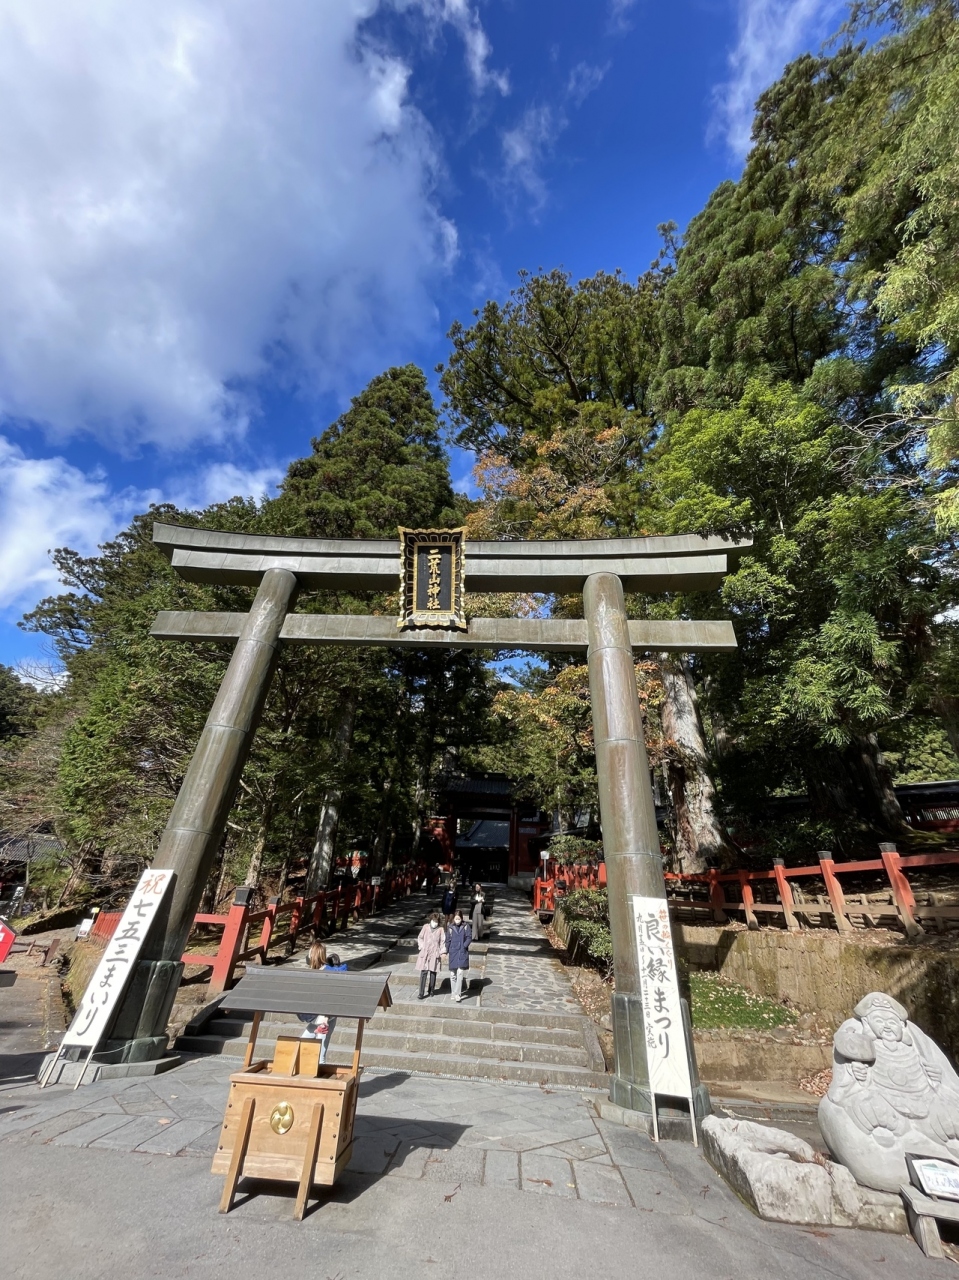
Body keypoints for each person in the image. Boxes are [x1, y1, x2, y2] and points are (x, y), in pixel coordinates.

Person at [298, 940, 348, 1063]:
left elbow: (331, 996)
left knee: (320, 1053)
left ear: (313, 956)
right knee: (304, 1041)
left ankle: (320, 1072)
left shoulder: (326, 973)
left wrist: (325, 1018)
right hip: (320, 1017)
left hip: (325, 1017)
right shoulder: (318, 971)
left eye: (310, 953)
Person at [416, 912, 446, 999]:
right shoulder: (425, 927)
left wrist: (442, 952)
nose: (434, 923)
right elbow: (420, 937)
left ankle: (431, 989)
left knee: (433, 971)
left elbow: (442, 942)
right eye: (433, 920)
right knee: (423, 972)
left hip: (435, 952)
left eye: (436, 921)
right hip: (425, 952)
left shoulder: (440, 930)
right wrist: (422, 946)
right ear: (430, 920)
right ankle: (421, 992)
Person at [445, 910, 472, 1002]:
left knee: (460, 973)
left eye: (459, 919)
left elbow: (469, 937)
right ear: (453, 919)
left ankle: (458, 994)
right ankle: (453, 992)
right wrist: (446, 950)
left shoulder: (466, 926)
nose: (457, 920)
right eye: (456, 919)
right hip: (453, 952)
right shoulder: (450, 927)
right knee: (453, 974)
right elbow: (448, 940)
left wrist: (464, 946)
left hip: (462, 952)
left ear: (461, 918)